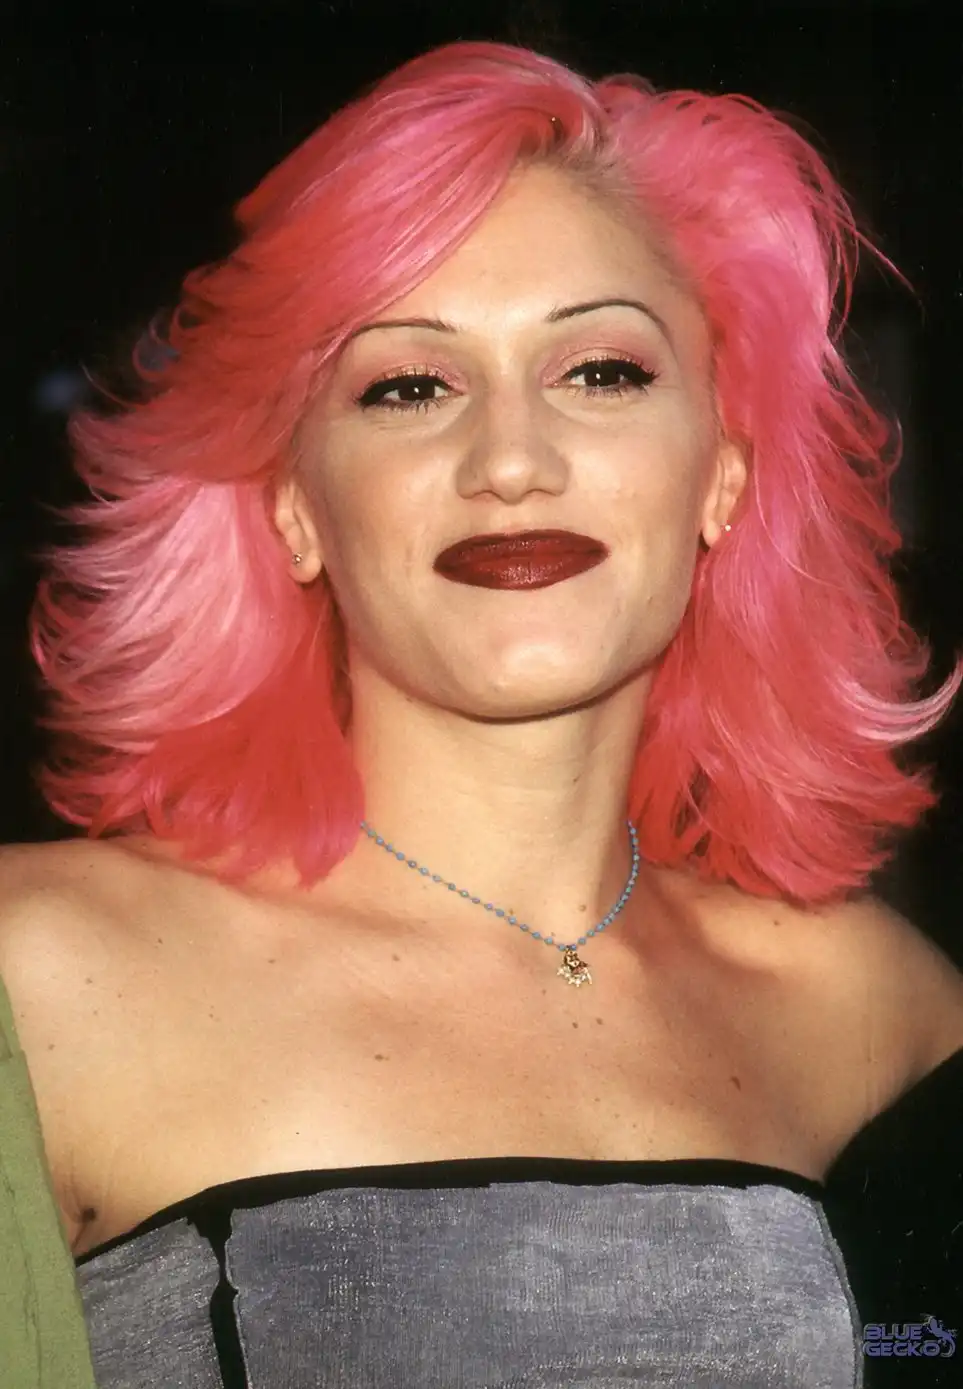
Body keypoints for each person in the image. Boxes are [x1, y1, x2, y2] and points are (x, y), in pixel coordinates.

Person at [1, 38, 962, 1389]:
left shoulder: (877, 1014)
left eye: (602, 371)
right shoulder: (39, 974)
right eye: (409, 386)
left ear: (723, 478)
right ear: (293, 506)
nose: (511, 459)